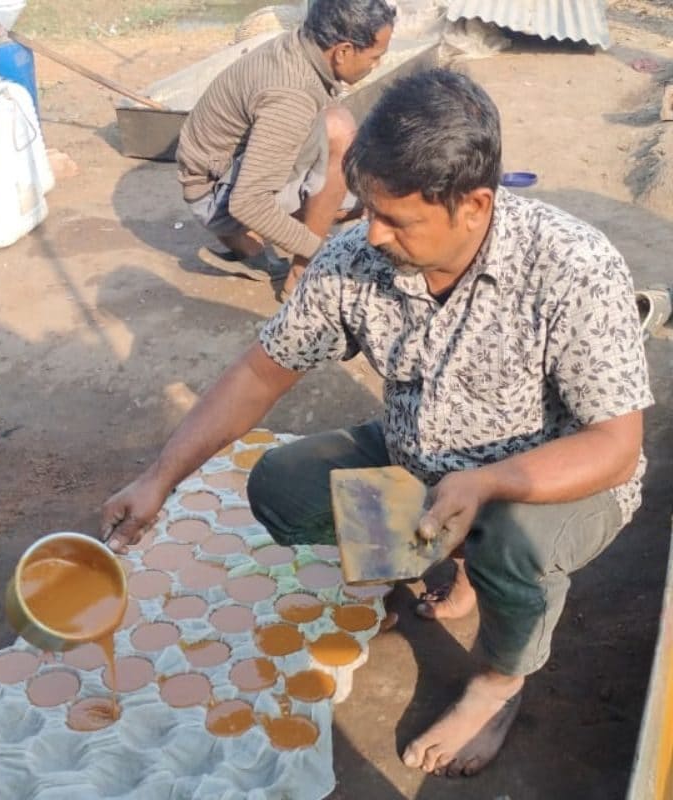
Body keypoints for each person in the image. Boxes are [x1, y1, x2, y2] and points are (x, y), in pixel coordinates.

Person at [102, 69, 651, 778]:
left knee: (514, 545)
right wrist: (158, 480)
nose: (372, 232)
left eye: (398, 219)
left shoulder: (572, 267)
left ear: (475, 205)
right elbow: (259, 373)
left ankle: (499, 680)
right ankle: (434, 563)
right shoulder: (357, 258)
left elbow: (614, 444)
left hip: (552, 471)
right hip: (420, 449)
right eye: (367, 208)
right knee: (284, 485)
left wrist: (486, 483)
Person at [177, 0, 394, 294]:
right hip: (215, 197)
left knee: (360, 198)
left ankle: (249, 245)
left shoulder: (301, 45)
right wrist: (320, 248)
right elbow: (248, 203)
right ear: (342, 52)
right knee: (339, 130)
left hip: (211, 176)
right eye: (375, 57)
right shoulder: (292, 94)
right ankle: (302, 274)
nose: (377, 64)